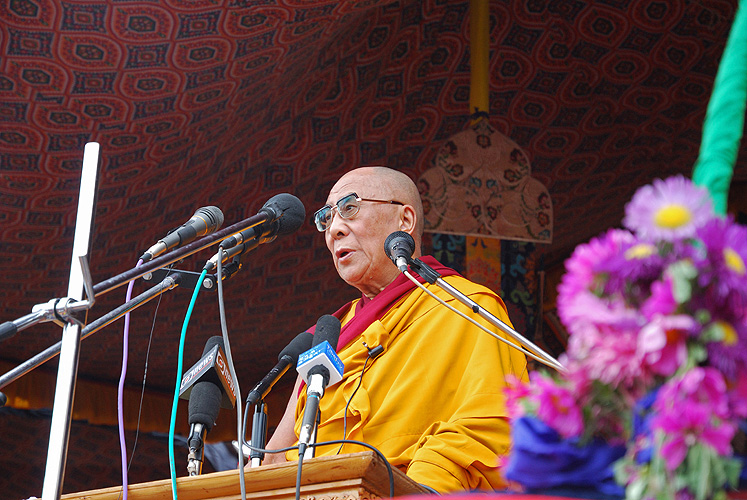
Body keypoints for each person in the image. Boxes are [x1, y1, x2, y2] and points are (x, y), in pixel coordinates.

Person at [261, 166, 528, 493]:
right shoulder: (327, 336)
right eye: (327, 219)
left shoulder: (466, 307)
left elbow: (490, 426)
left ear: (405, 220)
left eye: (349, 208)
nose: (334, 230)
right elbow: (275, 459)